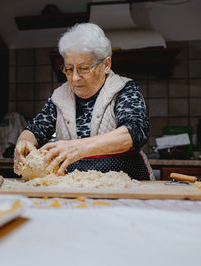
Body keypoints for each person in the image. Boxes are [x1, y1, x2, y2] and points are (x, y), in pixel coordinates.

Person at [14, 23, 154, 180]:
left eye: (83, 68)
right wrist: (23, 142)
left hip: (126, 183)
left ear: (106, 65)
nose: (74, 78)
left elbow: (136, 132)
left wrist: (78, 147)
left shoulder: (123, 89)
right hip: (73, 185)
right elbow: (35, 129)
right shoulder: (60, 96)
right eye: (68, 69)